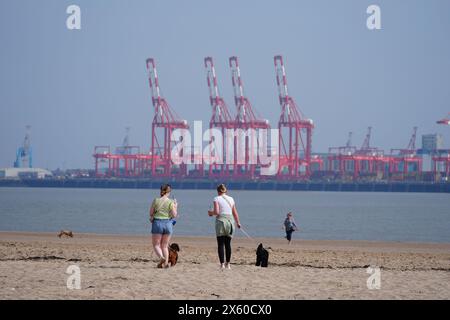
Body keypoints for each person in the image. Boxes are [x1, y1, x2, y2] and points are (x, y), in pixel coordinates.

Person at [208, 184, 241, 269]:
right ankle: (228, 264)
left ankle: (222, 264)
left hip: (221, 222)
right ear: (226, 191)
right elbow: (235, 212)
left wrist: (210, 213)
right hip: (230, 222)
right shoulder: (231, 199)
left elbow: (217, 212)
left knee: (220, 244)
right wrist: (238, 222)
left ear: (218, 191)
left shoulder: (216, 198)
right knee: (228, 244)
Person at [149, 184, 178, 268]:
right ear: (169, 191)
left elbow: (151, 213)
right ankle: (165, 264)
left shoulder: (156, 200)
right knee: (164, 246)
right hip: (168, 224)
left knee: (156, 245)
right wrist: (176, 205)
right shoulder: (171, 202)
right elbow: (174, 214)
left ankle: (161, 258)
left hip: (157, 223)